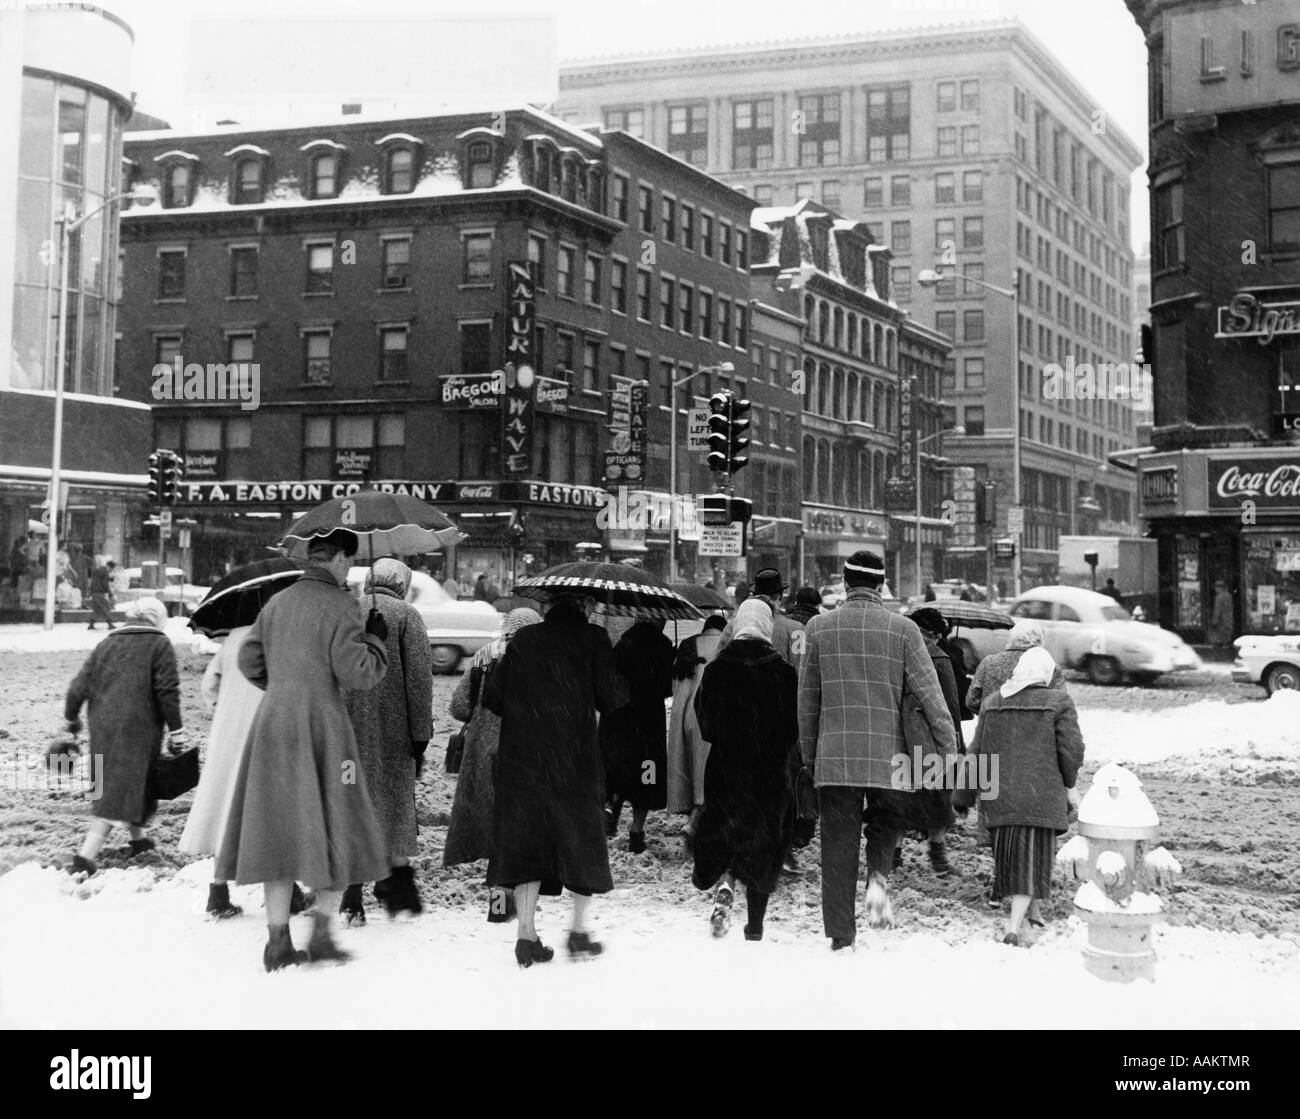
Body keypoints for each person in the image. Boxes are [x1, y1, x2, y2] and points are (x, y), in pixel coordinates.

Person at [215, 529, 390, 972]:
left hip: (272, 726)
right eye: (347, 561)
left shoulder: (276, 603)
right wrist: (374, 640)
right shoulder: (341, 604)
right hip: (325, 730)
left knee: (275, 828)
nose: (348, 568)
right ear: (339, 560)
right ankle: (323, 934)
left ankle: (277, 942)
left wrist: (283, 690)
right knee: (341, 820)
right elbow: (359, 675)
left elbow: (249, 660)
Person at [798, 550, 956, 949]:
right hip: (891, 757)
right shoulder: (904, 630)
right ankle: (878, 881)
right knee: (886, 823)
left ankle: (839, 934)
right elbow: (932, 698)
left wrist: (810, 756)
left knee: (837, 844)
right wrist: (948, 749)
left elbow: (808, 703)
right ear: (882, 585)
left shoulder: (818, 628)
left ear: (845, 582)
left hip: (835, 756)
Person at [481, 593, 626, 967]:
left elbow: (494, 697)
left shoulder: (526, 640)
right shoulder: (593, 639)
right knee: (580, 841)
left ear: (550, 606)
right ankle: (578, 934)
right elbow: (611, 699)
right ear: (583, 606)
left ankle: (526, 936)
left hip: (524, 759)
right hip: (573, 760)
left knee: (529, 842)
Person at [958, 647, 1084, 946]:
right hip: (1040, 795)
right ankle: (1013, 927)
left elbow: (975, 751)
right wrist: (1069, 783)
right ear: (1046, 673)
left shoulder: (993, 702)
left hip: (1000, 797)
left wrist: (964, 794)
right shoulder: (1059, 702)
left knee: (1012, 859)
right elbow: (1072, 750)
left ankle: (1033, 912)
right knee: (1032, 862)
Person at [691, 599, 799, 942]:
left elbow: (706, 726)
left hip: (725, 769)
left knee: (727, 832)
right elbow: (792, 732)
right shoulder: (783, 672)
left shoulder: (717, 670)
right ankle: (755, 925)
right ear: (766, 626)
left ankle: (725, 883)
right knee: (763, 841)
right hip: (769, 774)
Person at [63, 597, 187, 876]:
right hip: (138, 728)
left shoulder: (106, 644)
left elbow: (77, 687)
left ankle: (138, 840)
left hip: (102, 726)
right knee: (120, 791)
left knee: (122, 783)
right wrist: (176, 730)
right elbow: (167, 691)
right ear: (157, 620)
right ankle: (85, 858)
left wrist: (71, 717)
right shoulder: (159, 644)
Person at [343, 559, 434, 922]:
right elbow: (419, 680)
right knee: (391, 807)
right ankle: (388, 885)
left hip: (347, 727)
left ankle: (351, 895)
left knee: (352, 805)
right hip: (393, 730)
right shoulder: (408, 616)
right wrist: (420, 736)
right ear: (403, 583)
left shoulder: (347, 610)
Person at [444, 607, 542, 920]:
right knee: (516, 827)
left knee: (492, 824)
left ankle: (498, 902)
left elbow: (459, 706)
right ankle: (506, 901)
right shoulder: (540, 657)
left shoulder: (485, 655)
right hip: (525, 750)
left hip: (484, 749)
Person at [178, 622, 262, 918]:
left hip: (227, 734)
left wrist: (223, 708)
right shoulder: (281, 632)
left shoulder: (235, 636)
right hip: (264, 731)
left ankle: (218, 891)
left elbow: (209, 685)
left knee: (224, 808)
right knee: (268, 811)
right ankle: (286, 894)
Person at [898, 608, 964, 876]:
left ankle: (894, 855)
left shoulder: (898, 650)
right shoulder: (938, 656)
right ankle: (938, 857)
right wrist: (955, 741)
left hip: (899, 737)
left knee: (901, 797)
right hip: (931, 740)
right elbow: (949, 705)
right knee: (939, 799)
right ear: (935, 633)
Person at [602, 620, 676, 853]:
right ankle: (636, 830)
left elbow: (610, 680)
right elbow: (667, 688)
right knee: (646, 776)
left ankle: (613, 809)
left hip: (620, 720)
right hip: (648, 725)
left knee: (620, 770)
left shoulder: (623, 644)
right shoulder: (663, 646)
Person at [666, 614, 727, 847]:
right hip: (709, 713)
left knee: (691, 772)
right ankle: (693, 825)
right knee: (709, 777)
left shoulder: (688, 645)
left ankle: (694, 822)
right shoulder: (726, 645)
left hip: (684, 715)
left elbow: (674, 684)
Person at [966, 621, 1065, 714]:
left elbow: (972, 701)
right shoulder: (1050, 667)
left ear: (1012, 638)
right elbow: (1060, 706)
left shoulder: (989, 663)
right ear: (1040, 641)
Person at [720, 568, 803, 666]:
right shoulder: (796, 629)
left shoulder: (733, 626)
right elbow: (800, 668)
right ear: (780, 596)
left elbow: (718, 662)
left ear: (755, 596)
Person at [87, 559, 116, 630]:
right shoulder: (104, 571)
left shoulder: (98, 570)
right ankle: (110, 624)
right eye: (111, 569)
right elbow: (104, 583)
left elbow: (96, 581)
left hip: (94, 593)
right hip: (100, 593)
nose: (111, 571)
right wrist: (110, 594)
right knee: (105, 608)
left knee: (97, 609)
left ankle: (91, 624)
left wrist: (90, 592)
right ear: (109, 566)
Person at [1209, 580, 1234, 647]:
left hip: (1221, 622)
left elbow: (1217, 611)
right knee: (1226, 639)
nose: (1215, 589)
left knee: (1218, 641)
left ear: (1219, 588)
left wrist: (1214, 621)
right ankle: (1226, 646)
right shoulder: (1229, 596)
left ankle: (1220, 653)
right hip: (1228, 620)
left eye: (1216, 587)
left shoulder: (1218, 597)